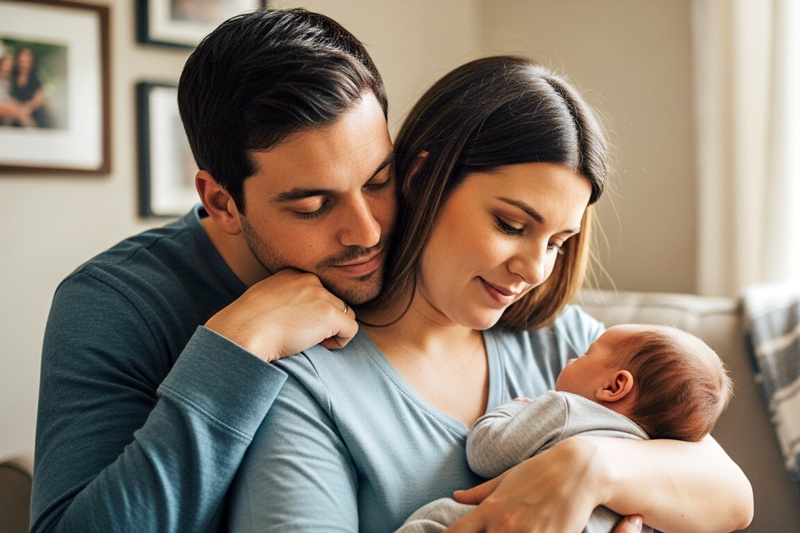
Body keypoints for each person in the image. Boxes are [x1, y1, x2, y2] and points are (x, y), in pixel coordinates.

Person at [226, 55, 753, 533]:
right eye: (510, 224)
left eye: (557, 243)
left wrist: (587, 469)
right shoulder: (309, 385)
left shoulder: (564, 342)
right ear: (421, 177)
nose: (534, 269)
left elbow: (733, 497)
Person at [31, 9, 392, 533]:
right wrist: (240, 343)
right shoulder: (111, 303)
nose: (368, 232)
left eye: (379, 180)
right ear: (222, 201)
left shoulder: (412, 249)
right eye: (313, 206)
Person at [399, 324, 734, 533]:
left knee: (435, 521)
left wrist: (514, 410)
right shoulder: (655, 461)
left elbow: (485, 453)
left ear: (615, 386)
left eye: (586, 354)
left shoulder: (563, 409)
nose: (573, 359)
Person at [8, 47, 47, 127]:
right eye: (21, 61)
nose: (24, 65)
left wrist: (26, 109)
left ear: (31, 63)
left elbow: (38, 100)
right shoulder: (12, 77)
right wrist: (20, 110)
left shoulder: (36, 78)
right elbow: (9, 96)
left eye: (26, 62)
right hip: (15, 111)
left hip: (33, 112)